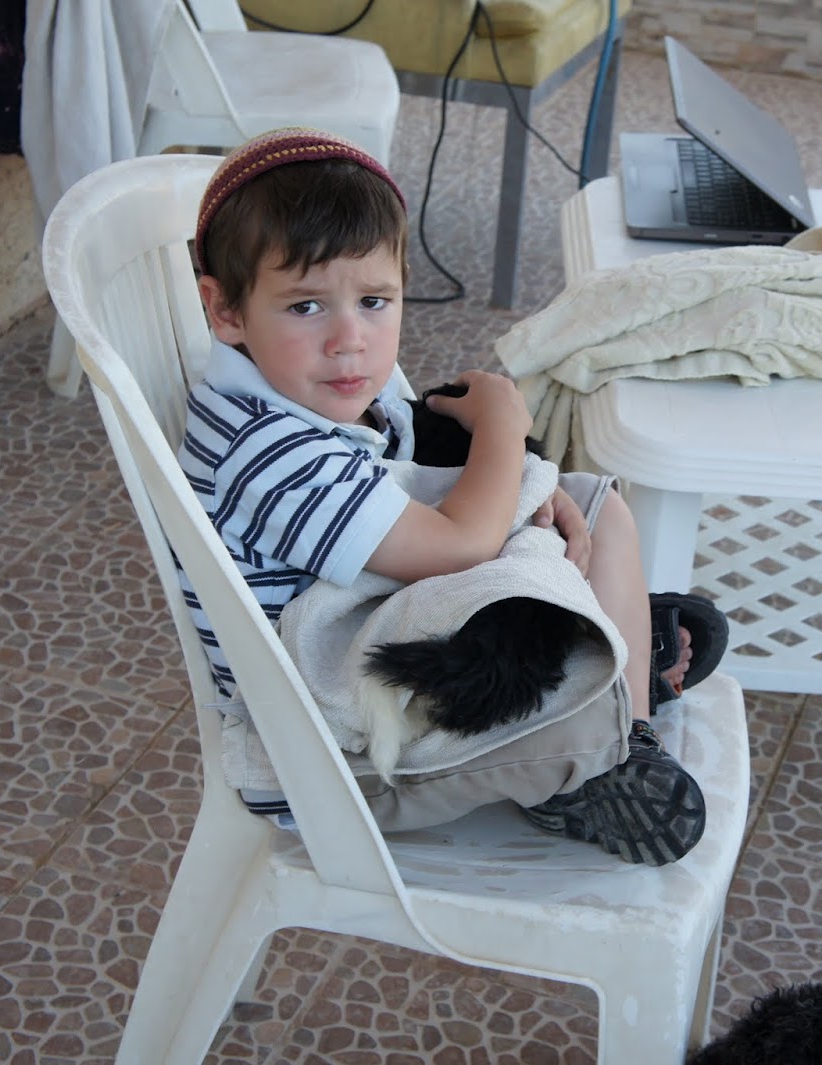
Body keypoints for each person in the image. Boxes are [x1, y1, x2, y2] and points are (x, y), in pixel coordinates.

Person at [176, 127, 728, 865]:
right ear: (226, 311)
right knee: (565, 687)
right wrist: (504, 424)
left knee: (593, 502)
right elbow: (460, 546)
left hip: (390, 621)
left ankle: (615, 672)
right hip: (339, 755)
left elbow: (426, 481)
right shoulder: (266, 454)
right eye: (305, 306)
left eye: (374, 300)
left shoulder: (312, 395)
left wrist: (534, 490)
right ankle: (607, 740)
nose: (349, 339)